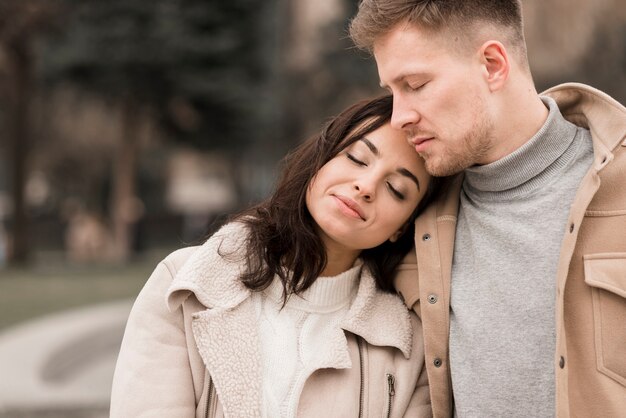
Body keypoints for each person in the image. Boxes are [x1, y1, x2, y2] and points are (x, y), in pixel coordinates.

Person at [350, 1, 626, 417]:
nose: (399, 117)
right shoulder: (406, 213)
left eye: (416, 84)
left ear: (493, 64)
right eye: (392, 92)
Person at [110, 95, 439, 417]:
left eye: (396, 189)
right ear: (321, 160)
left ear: (403, 226)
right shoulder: (184, 286)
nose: (365, 186)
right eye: (356, 158)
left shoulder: (409, 346)